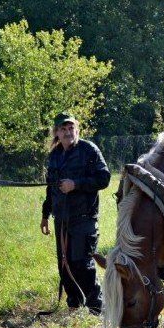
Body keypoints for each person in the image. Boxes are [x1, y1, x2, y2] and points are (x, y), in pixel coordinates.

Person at [40, 112, 111, 314]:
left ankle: (97, 308)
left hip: (84, 218)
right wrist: (45, 215)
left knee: (83, 264)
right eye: (63, 129)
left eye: (71, 128)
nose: (68, 132)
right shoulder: (54, 156)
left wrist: (76, 185)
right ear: (57, 133)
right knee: (65, 264)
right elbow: (50, 188)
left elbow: (104, 178)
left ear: (77, 130)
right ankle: (74, 306)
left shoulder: (89, 150)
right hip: (61, 220)